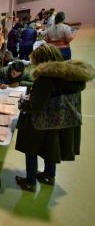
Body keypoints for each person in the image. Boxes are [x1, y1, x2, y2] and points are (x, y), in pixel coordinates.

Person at [15, 43, 95, 192]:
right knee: (50, 148)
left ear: (42, 60)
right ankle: (49, 175)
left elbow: (35, 105)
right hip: (62, 120)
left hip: (43, 120)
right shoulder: (71, 75)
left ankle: (30, 181)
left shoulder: (46, 78)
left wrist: (22, 103)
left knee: (30, 148)